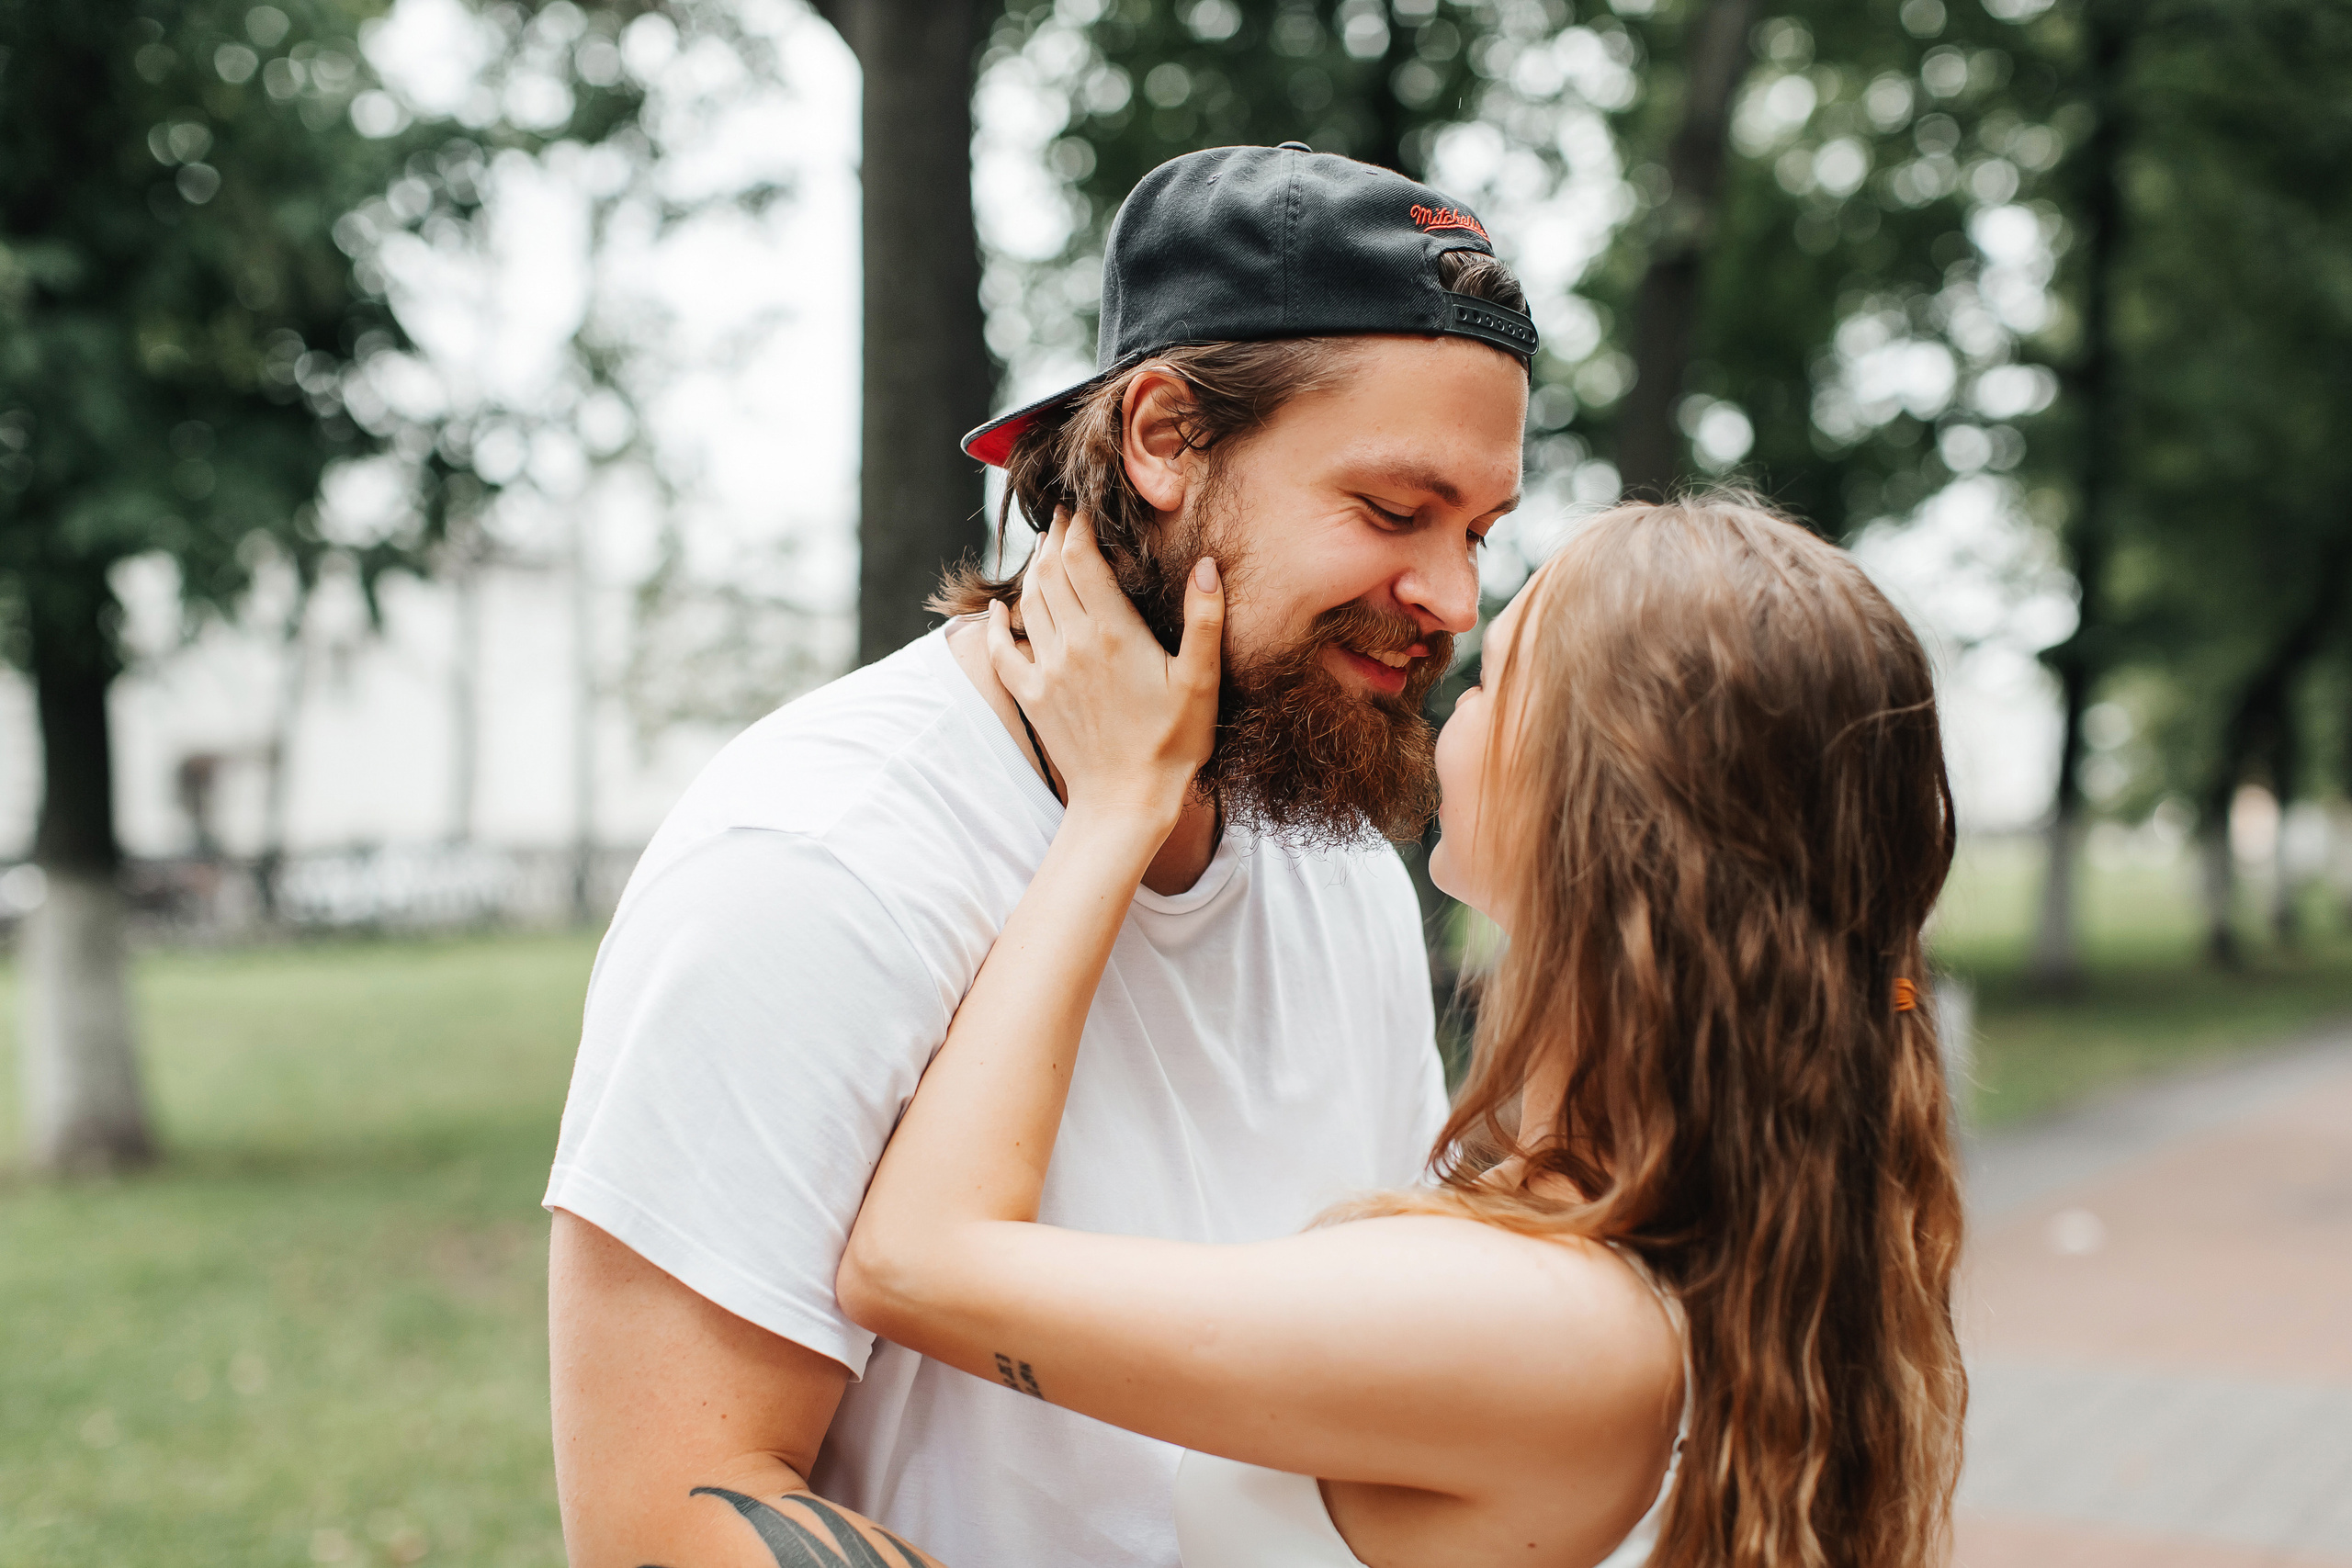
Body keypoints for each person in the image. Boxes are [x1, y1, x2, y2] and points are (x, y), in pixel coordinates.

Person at [543, 142, 1537, 1568]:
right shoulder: (816, 857)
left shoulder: (1335, 859)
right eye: (1392, 510)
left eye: (1479, 530)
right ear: (1164, 439)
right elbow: (668, 1514)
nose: (1449, 595)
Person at [836, 495, 1970, 1568]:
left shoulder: (1543, 1322)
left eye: (1492, 682)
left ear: (1595, 795)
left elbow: (912, 1264)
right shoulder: (1660, 1235)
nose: (1445, 693)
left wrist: (1117, 807)